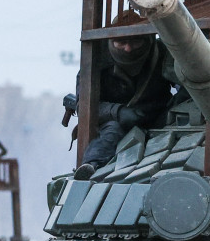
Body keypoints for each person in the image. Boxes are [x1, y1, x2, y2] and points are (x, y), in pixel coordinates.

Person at [63, 11, 174, 180]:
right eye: (121, 42)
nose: (128, 49)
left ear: (148, 39)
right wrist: (118, 112)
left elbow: (183, 80)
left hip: (157, 117)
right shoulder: (95, 61)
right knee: (111, 133)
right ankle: (91, 167)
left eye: (136, 41)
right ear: (111, 41)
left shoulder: (161, 53)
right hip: (115, 123)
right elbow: (85, 107)